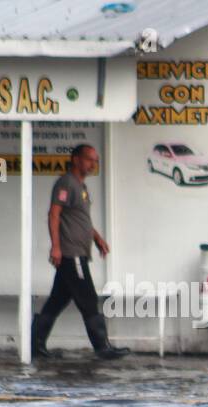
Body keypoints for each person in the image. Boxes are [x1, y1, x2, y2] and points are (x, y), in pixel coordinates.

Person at [31, 144, 128, 359]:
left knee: (57, 301)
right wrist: (56, 247)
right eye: (89, 159)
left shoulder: (81, 187)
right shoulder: (66, 183)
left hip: (79, 252)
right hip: (71, 253)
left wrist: (97, 238)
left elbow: (80, 220)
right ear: (76, 159)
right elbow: (54, 215)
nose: (93, 164)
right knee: (89, 299)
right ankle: (102, 348)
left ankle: (35, 345)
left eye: (95, 160)